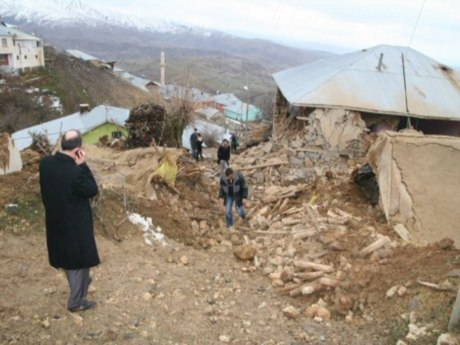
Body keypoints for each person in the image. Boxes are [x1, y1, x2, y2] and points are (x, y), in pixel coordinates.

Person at [39, 130, 100, 313]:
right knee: (79, 263)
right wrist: (82, 166)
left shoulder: (45, 163)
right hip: (74, 224)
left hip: (55, 220)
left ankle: (80, 288)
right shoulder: (75, 172)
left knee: (67, 260)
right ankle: (76, 301)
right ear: (78, 149)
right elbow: (92, 189)